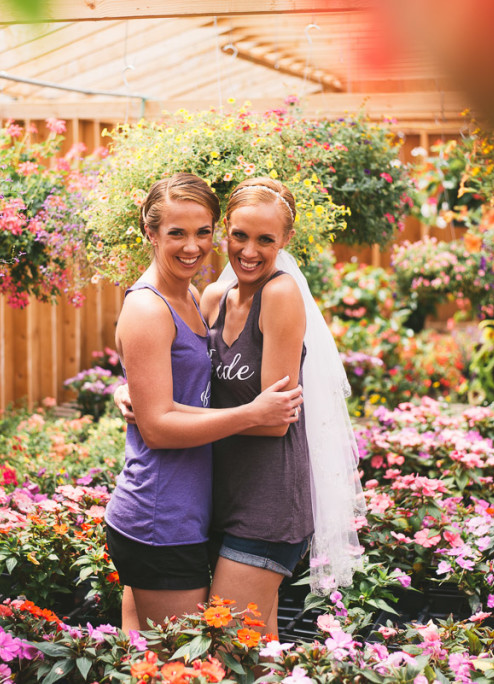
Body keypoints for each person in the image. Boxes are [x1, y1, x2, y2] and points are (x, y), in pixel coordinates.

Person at [118, 177, 366, 637]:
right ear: (226, 230)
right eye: (239, 236)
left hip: (267, 500)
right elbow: (183, 377)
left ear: (286, 240)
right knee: (254, 644)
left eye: (265, 239)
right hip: (212, 496)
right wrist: (137, 396)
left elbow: (273, 422)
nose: (249, 251)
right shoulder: (209, 298)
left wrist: (167, 416)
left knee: (228, 640)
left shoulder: (280, 294)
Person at [104, 172, 305, 632]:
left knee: (193, 658)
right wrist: (250, 412)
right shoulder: (152, 305)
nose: (192, 246)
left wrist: (135, 392)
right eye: (176, 232)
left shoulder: (193, 297)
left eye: (201, 232)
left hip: (202, 508)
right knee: (185, 664)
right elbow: (157, 423)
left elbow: (183, 388)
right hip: (160, 513)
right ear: (149, 232)